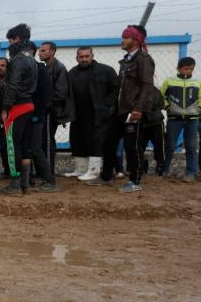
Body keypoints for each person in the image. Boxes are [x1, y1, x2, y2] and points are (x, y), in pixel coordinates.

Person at [88, 25, 155, 192]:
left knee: (132, 147)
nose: (122, 40)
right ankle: (106, 177)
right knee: (108, 142)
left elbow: (147, 86)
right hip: (120, 110)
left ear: (136, 40)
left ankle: (135, 181)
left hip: (134, 110)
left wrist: (138, 109)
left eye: (126, 37)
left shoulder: (143, 59)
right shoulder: (127, 61)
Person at [0, 24, 37, 196]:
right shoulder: (31, 59)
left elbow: (12, 86)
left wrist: (5, 108)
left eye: (11, 39)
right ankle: (24, 184)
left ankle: (14, 184)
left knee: (12, 145)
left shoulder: (18, 60)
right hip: (29, 105)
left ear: (17, 39)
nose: (10, 43)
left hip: (17, 107)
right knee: (25, 146)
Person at [66, 47, 119, 180]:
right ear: (77, 58)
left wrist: (107, 105)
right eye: (81, 57)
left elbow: (116, 89)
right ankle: (80, 169)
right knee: (77, 141)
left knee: (96, 142)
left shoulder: (105, 70)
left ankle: (94, 171)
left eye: (87, 56)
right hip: (78, 114)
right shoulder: (72, 72)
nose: (84, 59)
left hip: (98, 114)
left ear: (92, 56)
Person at [160, 56, 199, 181]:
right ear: (178, 68)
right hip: (174, 119)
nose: (188, 71)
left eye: (191, 69)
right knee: (170, 145)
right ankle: (165, 169)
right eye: (186, 68)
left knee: (191, 146)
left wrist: (198, 108)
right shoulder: (169, 81)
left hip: (192, 119)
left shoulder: (197, 83)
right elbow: (160, 96)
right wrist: (167, 107)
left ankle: (191, 172)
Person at [27, 42, 58, 192]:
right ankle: (28, 178)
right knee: (28, 147)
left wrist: (37, 113)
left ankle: (49, 180)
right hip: (27, 115)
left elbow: (45, 95)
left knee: (35, 147)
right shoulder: (29, 69)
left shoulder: (40, 69)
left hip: (36, 116)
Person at [38, 42, 72, 174]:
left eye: (43, 51)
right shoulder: (46, 67)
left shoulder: (58, 67)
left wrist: (45, 105)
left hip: (51, 111)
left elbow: (61, 92)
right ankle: (45, 171)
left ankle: (48, 173)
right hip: (46, 110)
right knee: (42, 141)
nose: (39, 53)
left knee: (47, 141)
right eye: (40, 51)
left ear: (51, 52)